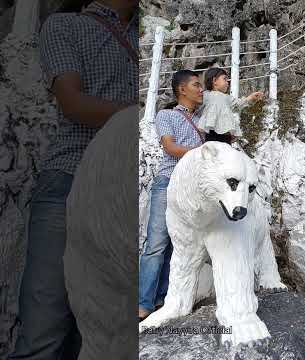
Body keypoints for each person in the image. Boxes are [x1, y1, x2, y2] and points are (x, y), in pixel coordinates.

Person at [9, 1, 138, 359]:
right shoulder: (65, 25)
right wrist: (141, 115)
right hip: (71, 174)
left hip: (125, 192)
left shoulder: (142, 34)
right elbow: (72, 102)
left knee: (108, 337)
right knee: (44, 331)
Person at [138, 70, 204, 321]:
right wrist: (203, 150)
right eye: (196, 85)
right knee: (156, 244)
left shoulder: (202, 120)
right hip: (167, 183)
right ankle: (143, 302)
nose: (201, 89)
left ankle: (162, 300)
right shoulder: (166, 115)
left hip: (190, 189)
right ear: (181, 90)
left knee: (177, 245)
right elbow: (170, 147)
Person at [197, 67, 264, 144]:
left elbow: (237, 104)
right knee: (211, 150)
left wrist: (250, 98)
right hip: (210, 131)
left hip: (226, 133)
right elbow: (196, 107)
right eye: (224, 79)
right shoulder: (205, 95)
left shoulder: (227, 97)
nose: (227, 82)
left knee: (226, 151)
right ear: (214, 81)